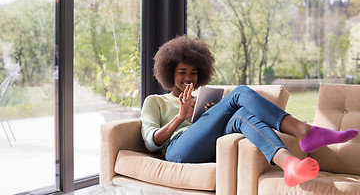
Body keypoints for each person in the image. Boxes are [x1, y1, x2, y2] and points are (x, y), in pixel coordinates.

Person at [140, 35, 358, 187]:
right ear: (169, 72)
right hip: (177, 151)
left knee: (242, 116)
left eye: (194, 72)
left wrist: (211, 114)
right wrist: (180, 117)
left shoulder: (199, 100)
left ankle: (289, 164)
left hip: (206, 148)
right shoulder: (155, 101)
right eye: (182, 72)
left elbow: (206, 133)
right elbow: (151, 142)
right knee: (240, 93)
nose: (188, 77)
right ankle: (305, 132)